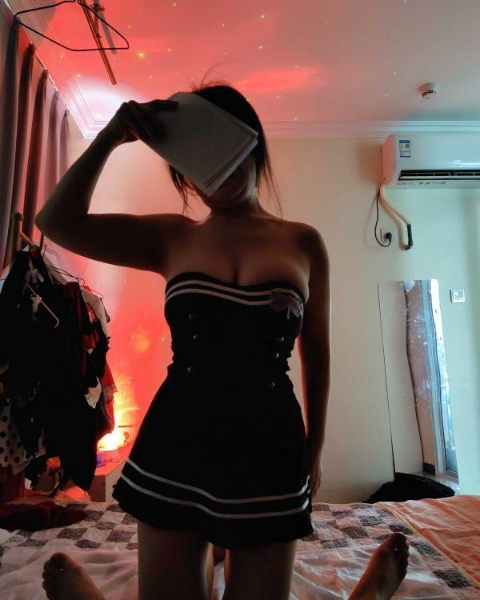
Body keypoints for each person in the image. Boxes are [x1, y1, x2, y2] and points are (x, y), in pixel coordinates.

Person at [35, 81, 330, 600]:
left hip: (271, 445)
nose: (217, 172)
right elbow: (56, 221)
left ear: (253, 145)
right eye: (195, 161)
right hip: (179, 440)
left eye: (223, 149)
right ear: (185, 176)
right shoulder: (173, 236)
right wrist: (112, 135)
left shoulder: (304, 242)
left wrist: (315, 448)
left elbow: (317, 351)